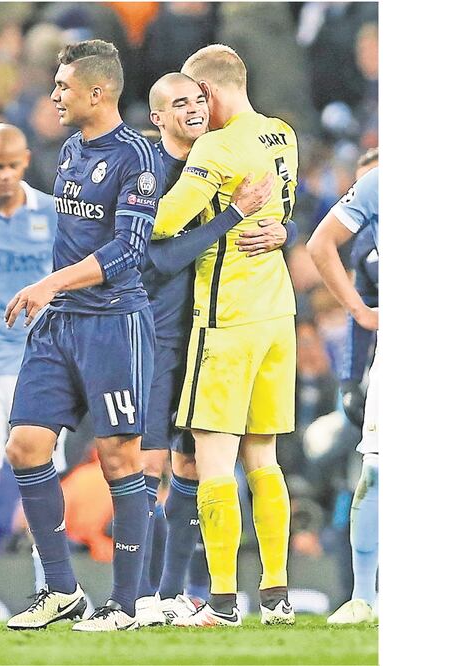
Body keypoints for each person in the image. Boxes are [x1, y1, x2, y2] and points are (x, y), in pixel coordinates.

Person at [2, 39, 164, 632]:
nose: (54, 96)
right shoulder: (71, 149)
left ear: (98, 92)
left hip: (114, 323)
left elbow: (129, 250)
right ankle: (62, 591)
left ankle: (125, 602)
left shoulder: (137, 158)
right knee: (25, 445)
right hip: (60, 324)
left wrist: (50, 282)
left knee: (120, 459)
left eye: (64, 86)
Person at [134, 72, 297, 626]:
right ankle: (275, 596)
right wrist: (279, 227)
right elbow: (280, 209)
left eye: (194, 94)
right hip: (278, 312)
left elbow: (155, 225)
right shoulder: (282, 134)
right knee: (264, 460)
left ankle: (220, 602)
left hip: (224, 320)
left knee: (212, 463)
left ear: (207, 88)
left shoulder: (215, 147)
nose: (194, 105)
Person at [0, 123, 58, 616]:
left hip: (40, 367)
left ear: (25, 162)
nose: (5, 176)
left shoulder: (51, 213)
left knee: (40, 482)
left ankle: (51, 592)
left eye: (12, 167)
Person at [305, 162, 380, 625]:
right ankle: (362, 596)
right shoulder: (379, 184)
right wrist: (360, 310)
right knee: (376, 467)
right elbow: (319, 243)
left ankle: (363, 597)